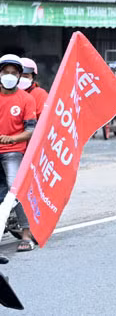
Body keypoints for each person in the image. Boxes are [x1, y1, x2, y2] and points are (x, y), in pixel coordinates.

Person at [0, 54, 36, 252]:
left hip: (13, 152)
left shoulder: (26, 99)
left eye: (14, 73)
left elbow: (31, 130)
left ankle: (26, 234)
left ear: (20, 75)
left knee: (16, 189)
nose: (9, 76)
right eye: (6, 72)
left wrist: (12, 139)